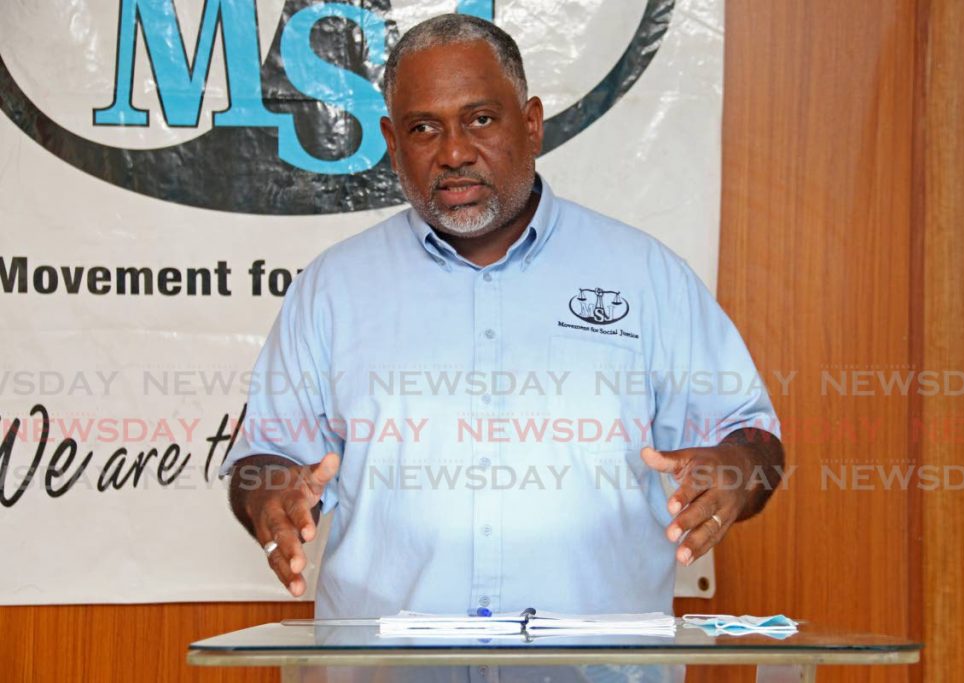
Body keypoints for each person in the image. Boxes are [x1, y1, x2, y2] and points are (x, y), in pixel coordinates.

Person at [223, 14, 783, 621]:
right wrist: (269, 494)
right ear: (391, 141)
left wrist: (737, 470)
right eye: (423, 128)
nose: (455, 152)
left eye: (481, 119)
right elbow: (264, 455)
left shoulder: (646, 277)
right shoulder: (332, 289)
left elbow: (751, 435)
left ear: (533, 124)